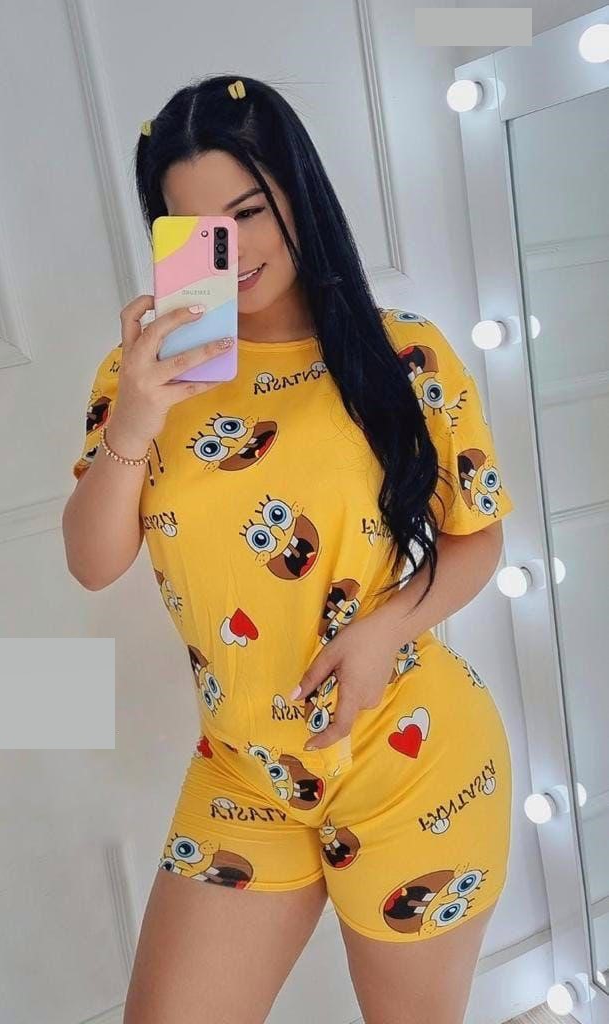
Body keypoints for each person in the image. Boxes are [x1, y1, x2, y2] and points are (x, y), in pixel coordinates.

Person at [62, 75, 516, 1024]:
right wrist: (135, 420)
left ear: (297, 195)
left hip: (410, 762)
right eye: (200, 229)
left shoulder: (404, 355)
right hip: (243, 772)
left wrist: (385, 629)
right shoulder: (144, 377)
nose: (233, 251)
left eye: (250, 212)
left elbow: (477, 536)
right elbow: (93, 562)